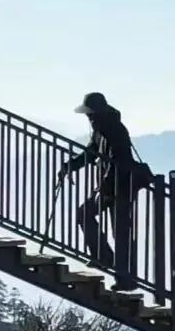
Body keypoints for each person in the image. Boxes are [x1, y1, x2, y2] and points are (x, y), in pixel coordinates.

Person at [63, 92, 148, 289]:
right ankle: (105, 258)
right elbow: (91, 153)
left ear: (97, 113)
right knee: (86, 215)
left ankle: (125, 279)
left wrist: (106, 185)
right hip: (110, 187)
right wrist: (69, 166)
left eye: (89, 113)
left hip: (122, 188)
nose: (88, 117)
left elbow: (119, 160)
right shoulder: (101, 129)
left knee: (120, 232)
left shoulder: (115, 129)